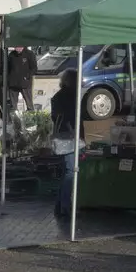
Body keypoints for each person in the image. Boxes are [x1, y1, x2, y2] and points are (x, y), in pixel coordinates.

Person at [52, 69, 79, 219]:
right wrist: (74, 132)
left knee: (65, 172)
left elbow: (55, 117)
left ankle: (60, 205)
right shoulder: (69, 95)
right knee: (70, 172)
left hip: (62, 136)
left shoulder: (58, 96)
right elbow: (70, 117)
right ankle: (65, 206)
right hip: (69, 137)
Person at [5, 47, 36, 114]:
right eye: (16, 46)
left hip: (25, 84)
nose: (17, 48)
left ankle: (30, 121)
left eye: (18, 46)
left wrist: (27, 77)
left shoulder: (29, 54)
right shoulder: (11, 55)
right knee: (13, 107)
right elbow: (7, 68)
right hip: (13, 84)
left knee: (29, 105)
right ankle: (14, 121)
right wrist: (8, 79)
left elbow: (34, 68)